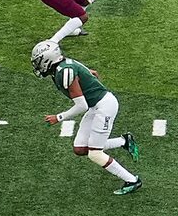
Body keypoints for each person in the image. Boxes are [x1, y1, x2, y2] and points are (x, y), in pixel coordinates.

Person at [32, 40, 140, 198]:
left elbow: (81, 106)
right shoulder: (63, 65)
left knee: (95, 154)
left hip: (104, 107)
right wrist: (88, 75)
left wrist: (58, 117)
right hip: (96, 106)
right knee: (80, 149)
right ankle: (124, 141)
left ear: (48, 59)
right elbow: (88, 71)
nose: (38, 65)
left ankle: (132, 180)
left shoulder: (64, 72)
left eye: (39, 61)